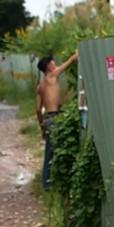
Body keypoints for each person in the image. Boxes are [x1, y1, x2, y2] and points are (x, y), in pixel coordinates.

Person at [36, 52, 78, 189]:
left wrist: (42, 127)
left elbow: (38, 109)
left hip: (47, 118)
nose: (56, 65)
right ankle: (49, 183)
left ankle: (48, 182)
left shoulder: (41, 86)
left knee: (50, 150)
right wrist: (74, 56)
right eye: (53, 64)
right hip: (54, 117)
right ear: (48, 68)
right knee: (54, 151)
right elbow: (66, 65)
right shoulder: (51, 77)